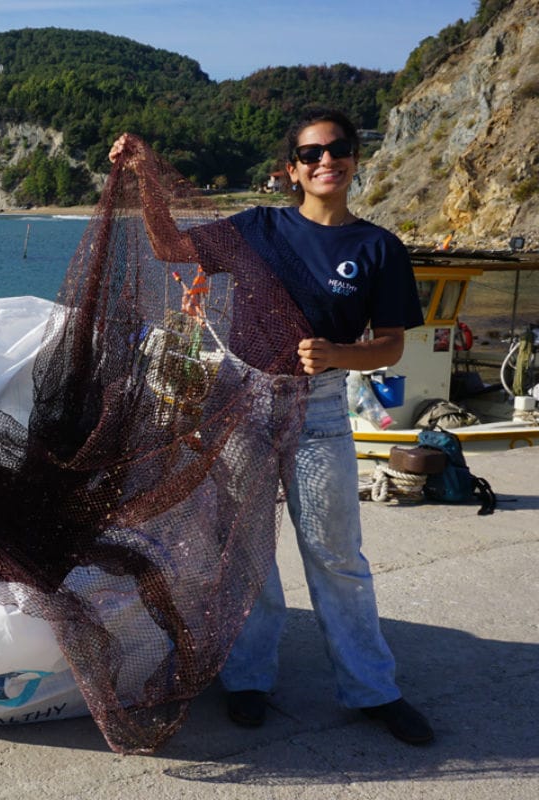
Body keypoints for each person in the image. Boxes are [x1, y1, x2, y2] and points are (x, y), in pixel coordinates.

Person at [110, 108, 434, 745]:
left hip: (319, 411)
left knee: (337, 556)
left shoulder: (377, 248)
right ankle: (249, 678)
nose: (325, 162)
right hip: (243, 402)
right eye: (311, 154)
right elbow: (170, 248)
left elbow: (392, 345)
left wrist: (341, 354)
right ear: (292, 170)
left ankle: (373, 688)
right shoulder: (256, 228)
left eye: (337, 149)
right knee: (247, 550)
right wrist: (147, 175)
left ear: (353, 159)